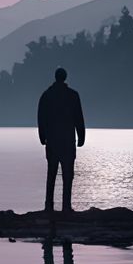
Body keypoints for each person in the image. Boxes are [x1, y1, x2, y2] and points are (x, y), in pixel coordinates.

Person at [37, 66, 86, 214]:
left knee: (51, 174)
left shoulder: (46, 95)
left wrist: (42, 136)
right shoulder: (72, 95)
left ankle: (49, 205)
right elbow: (79, 118)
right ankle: (66, 206)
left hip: (52, 141)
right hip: (67, 141)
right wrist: (81, 136)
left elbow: (41, 118)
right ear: (65, 77)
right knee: (67, 175)